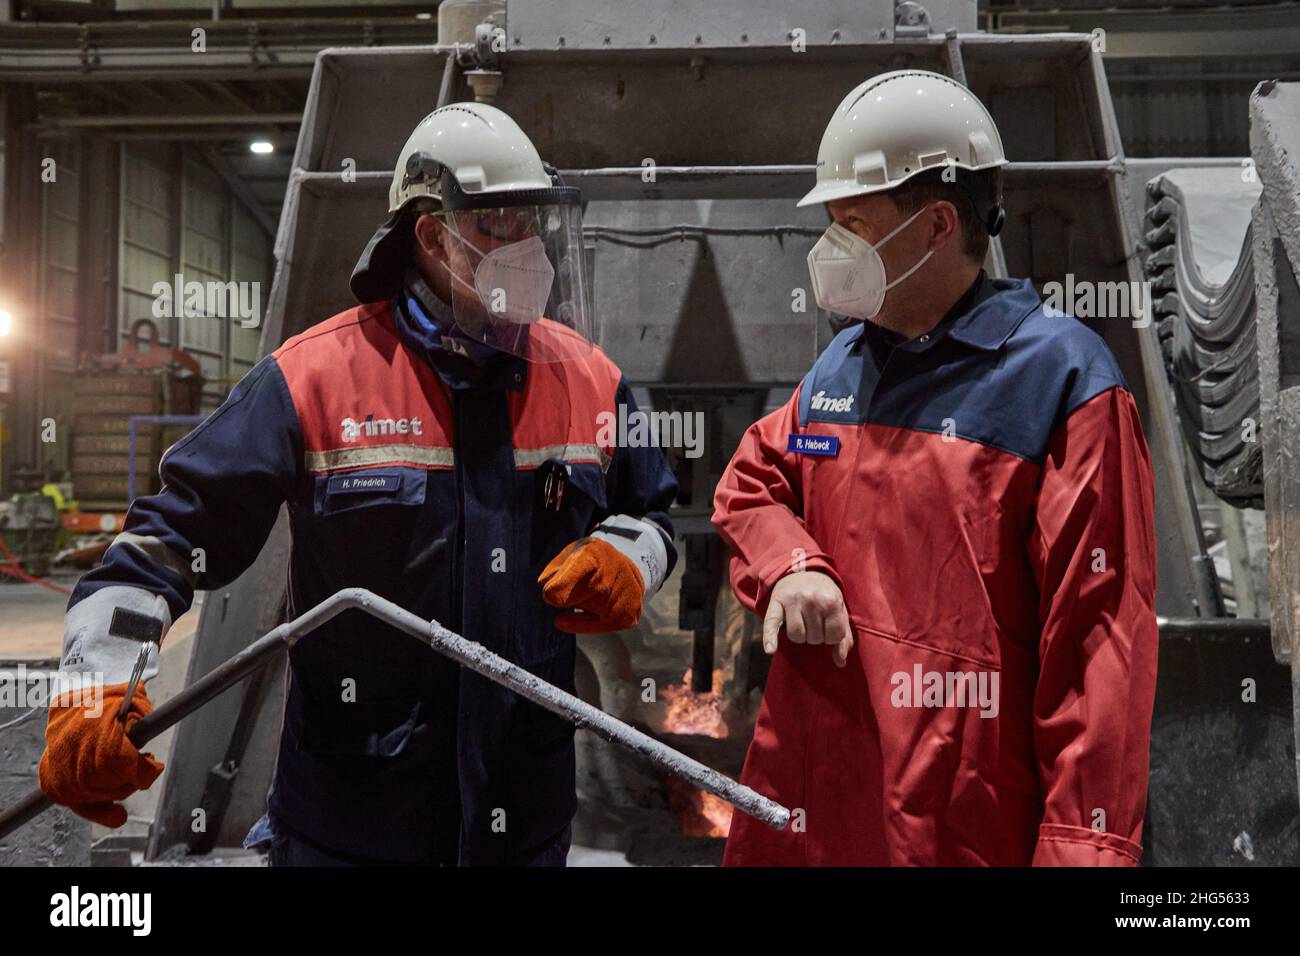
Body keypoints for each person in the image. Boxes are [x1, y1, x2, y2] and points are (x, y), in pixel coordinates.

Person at [38, 102, 677, 866]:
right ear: (433, 235)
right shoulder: (312, 378)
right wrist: (95, 689)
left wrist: (625, 559)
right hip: (349, 824)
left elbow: (654, 517)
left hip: (524, 816)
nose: (527, 249)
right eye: (500, 225)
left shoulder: (588, 377)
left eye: (534, 224)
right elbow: (159, 549)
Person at [712, 70, 1158, 866]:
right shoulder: (843, 369)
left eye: (852, 221)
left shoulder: (1063, 383)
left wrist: (1082, 851)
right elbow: (754, 481)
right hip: (819, 815)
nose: (829, 249)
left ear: (936, 225)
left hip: (960, 829)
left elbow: (1099, 648)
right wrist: (791, 566)